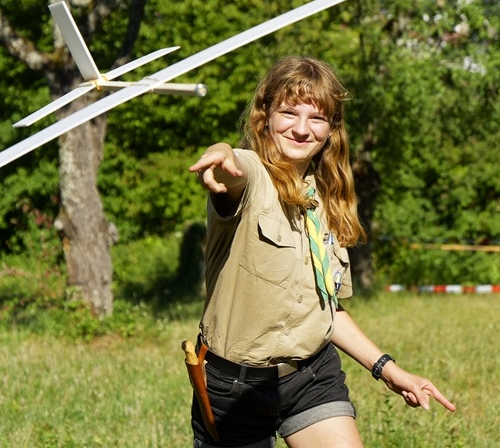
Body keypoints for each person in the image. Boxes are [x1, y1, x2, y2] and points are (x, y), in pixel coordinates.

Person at [187, 56, 455, 448]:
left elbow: (325, 310)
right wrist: (223, 154)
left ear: (331, 129)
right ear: (264, 117)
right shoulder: (253, 177)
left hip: (312, 375)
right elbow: (234, 170)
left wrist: (389, 370)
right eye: (288, 112)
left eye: (316, 118)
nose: (301, 128)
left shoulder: (324, 197)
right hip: (234, 387)